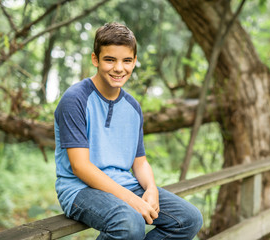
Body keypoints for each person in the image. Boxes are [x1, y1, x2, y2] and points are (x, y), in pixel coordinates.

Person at [54, 22, 203, 240]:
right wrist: (132, 201)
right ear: (95, 59)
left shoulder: (133, 107)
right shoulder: (75, 99)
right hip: (80, 189)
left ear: (134, 62)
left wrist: (151, 188)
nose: (119, 68)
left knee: (188, 220)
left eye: (127, 61)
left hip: (125, 185)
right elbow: (80, 167)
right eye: (109, 60)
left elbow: (139, 161)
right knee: (129, 223)